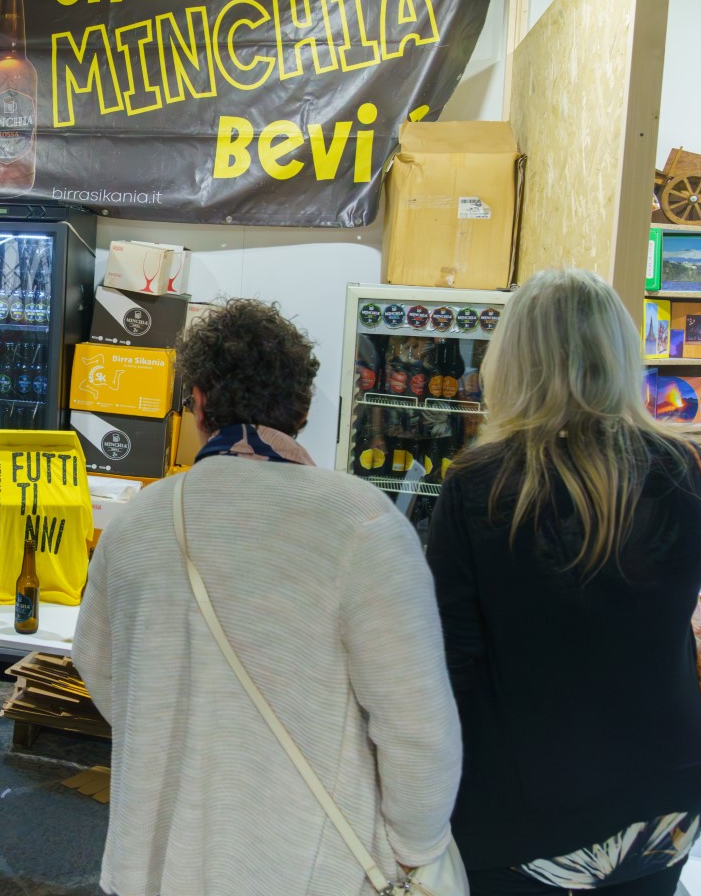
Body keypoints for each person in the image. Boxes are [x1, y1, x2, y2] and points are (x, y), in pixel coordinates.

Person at [74, 298, 462, 896]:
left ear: (197, 402)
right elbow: (418, 726)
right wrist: (417, 848)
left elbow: (98, 664)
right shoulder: (362, 522)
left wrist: (180, 726)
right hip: (310, 864)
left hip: (157, 856)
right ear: (301, 408)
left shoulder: (138, 521)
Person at [427, 270, 701, 896]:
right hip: (664, 796)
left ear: (514, 358)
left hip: (525, 808)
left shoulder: (480, 482)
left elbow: (453, 662)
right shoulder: (680, 466)